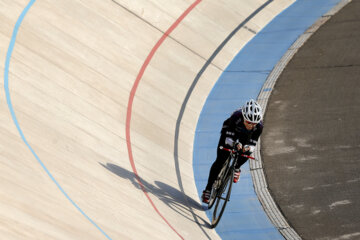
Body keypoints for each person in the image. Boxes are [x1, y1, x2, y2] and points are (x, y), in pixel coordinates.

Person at [201, 99, 263, 203]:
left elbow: (253, 144)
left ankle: (237, 167)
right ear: (244, 117)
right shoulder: (236, 116)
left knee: (247, 152)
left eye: (254, 124)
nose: (251, 125)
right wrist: (235, 143)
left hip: (246, 136)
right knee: (221, 160)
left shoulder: (259, 127)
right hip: (231, 130)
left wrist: (247, 148)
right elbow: (228, 138)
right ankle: (208, 189)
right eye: (248, 122)